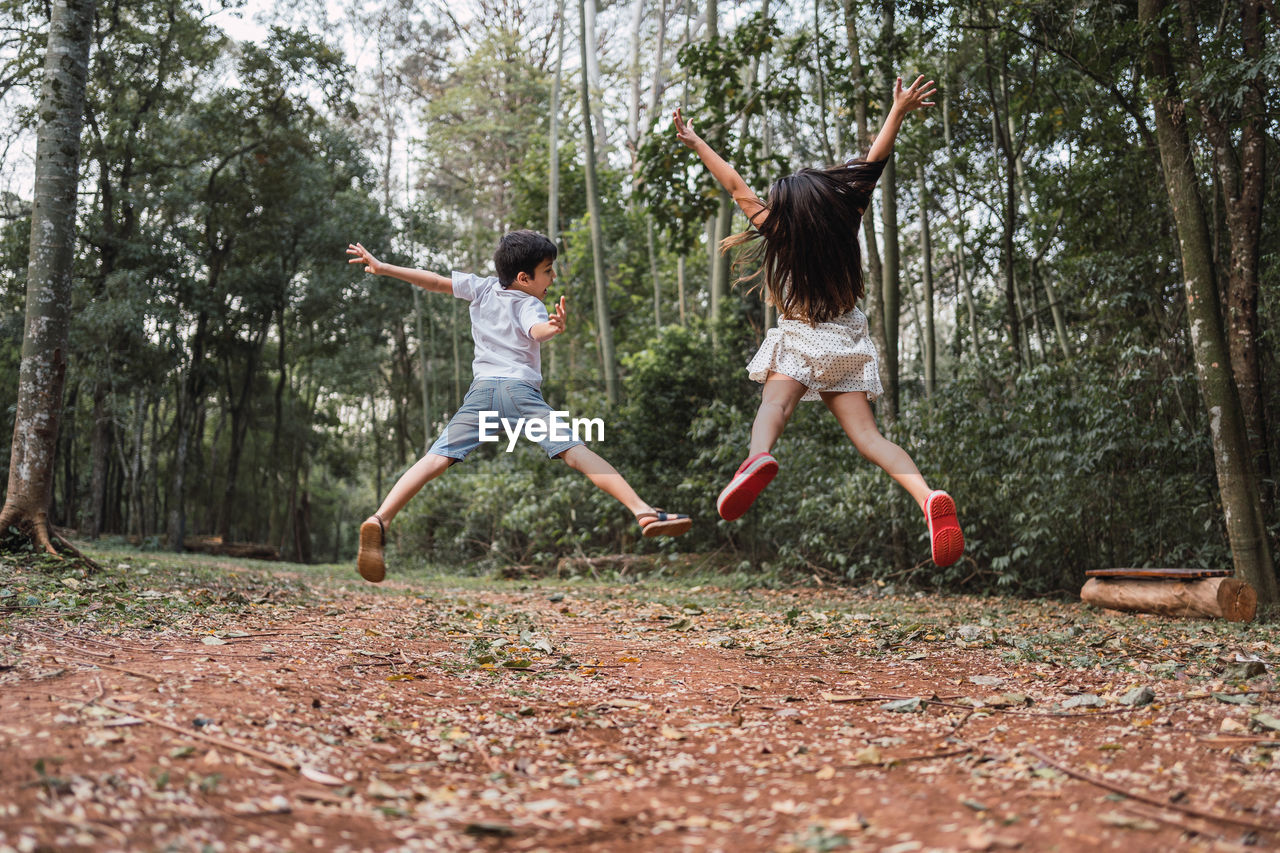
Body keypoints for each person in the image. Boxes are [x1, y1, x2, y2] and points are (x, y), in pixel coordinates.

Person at [673, 75, 964, 568]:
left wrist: (697, 141)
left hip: (801, 338)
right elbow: (874, 162)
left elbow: (733, 184)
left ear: (785, 209)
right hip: (846, 341)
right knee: (870, 439)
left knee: (774, 407)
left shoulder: (777, 228)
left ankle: (758, 456)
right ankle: (925, 496)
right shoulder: (847, 215)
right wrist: (896, 111)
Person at [346, 230, 691, 582]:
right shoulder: (530, 303)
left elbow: (434, 281)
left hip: (482, 395)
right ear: (524, 278)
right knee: (574, 451)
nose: (552, 278)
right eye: (548, 270)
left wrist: (383, 267)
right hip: (519, 393)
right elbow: (535, 330)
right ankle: (642, 510)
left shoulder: (480, 288)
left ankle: (381, 518)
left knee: (436, 458)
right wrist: (552, 328)